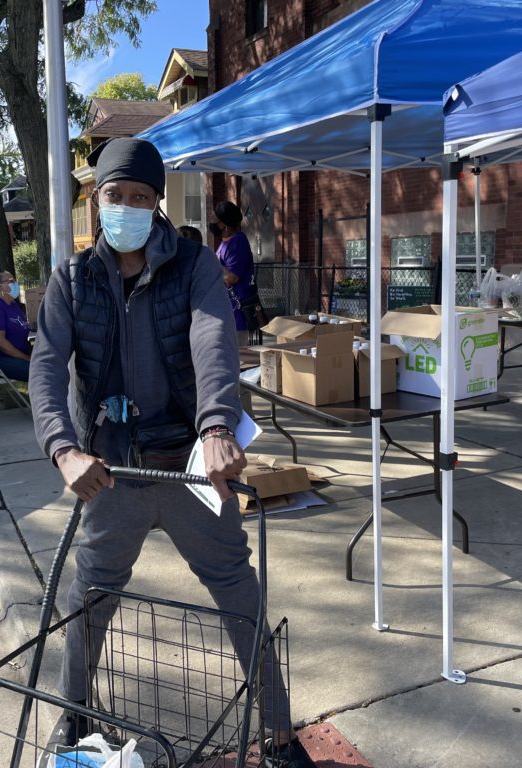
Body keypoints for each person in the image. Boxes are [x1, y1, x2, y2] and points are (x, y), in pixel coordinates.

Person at [29, 137, 316, 768]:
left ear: (156, 202)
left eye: (139, 196)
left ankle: (278, 733)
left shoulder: (192, 266)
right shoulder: (71, 281)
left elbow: (214, 340)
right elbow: (47, 371)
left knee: (239, 590)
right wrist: (63, 450)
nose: (126, 207)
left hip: (190, 466)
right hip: (111, 473)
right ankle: (72, 721)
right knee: (89, 598)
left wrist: (217, 426)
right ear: (94, 200)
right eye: (115, 196)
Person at [210, 200, 260, 345]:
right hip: (226, 311)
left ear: (224, 225)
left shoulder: (237, 242)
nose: (212, 224)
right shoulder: (224, 243)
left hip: (238, 314)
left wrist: (212, 261)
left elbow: (232, 277)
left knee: (236, 359)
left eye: (215, 221)